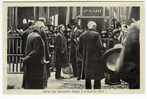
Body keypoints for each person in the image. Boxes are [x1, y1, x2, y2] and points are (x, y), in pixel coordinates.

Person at [22, 21, 49, 89]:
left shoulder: (30, 35)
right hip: (37, 64)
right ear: (39, 28)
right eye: (43, 28)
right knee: (36, 85)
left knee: (30, 82)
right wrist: (27, 57)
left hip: (30, 64)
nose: (44, 30)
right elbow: (35, 51)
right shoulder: (37, 37)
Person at [79, 21, 104, 89]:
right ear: (93, 26)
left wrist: (84, 56)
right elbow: (100, 47)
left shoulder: (82, 35)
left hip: (86, 59)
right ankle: (97, 90)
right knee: (97, 76)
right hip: (96, 59)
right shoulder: (96, 34)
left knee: (88, 76)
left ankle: (88, 90)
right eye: (95, 26)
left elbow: (79, 49)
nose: (96, 28)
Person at [116, 21, 140, 89]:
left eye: (123, 27)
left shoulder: (135, 28)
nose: (122, 28)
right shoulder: (124, 32)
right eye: (122, 27)